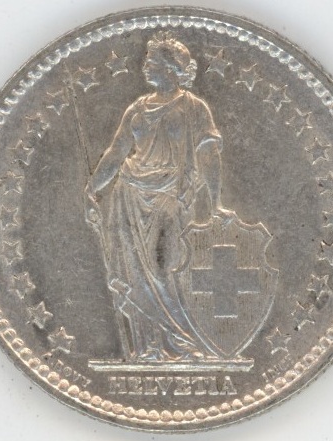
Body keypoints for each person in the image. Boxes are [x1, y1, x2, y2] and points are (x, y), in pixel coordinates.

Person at [86, 32, 231, 361]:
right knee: (133, 270)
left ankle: (182, 342)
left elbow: (208, 156)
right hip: (129, 194)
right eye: (147, 60)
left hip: (170, 195)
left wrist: (215, 202)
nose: (145, 66)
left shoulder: (194, 107)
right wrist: (92, 188)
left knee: (166, 267)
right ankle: (148, 348)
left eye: (153, 61)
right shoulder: (137, 108)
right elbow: (116, 152)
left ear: (172, 68)